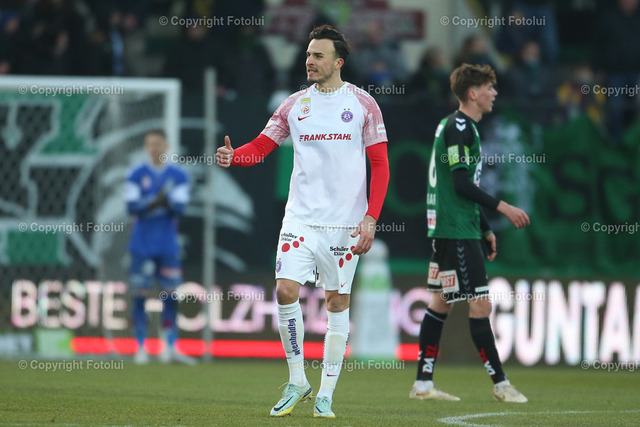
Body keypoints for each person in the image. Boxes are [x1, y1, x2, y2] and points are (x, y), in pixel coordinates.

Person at [216, 24, 390, 418]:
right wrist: (234, 156)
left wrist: (371, 218)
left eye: (318, 55)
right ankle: (297, 380)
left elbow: (380, 164)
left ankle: (326, 393)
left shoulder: (363, 104)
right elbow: (262, 147)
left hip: (345, 224)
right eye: (308, 54)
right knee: (284, 290)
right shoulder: (294, 105)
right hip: (301, 219)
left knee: (336, 302)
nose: (310, 61)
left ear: (338, 62)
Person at [410, 64, 530, 403]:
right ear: (473, 93)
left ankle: (423, 384)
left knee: (441, 301)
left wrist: (484, 227)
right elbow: (461, 183)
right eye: (489, 87)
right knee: (480, 304)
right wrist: (503, 207)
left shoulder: (453, 125)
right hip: (456, 230)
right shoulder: (460, 127)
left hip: (454, 227)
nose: (494, 93)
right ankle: (501, 385)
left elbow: (459, 186)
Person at [125, 129, 194, 365]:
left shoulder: (178, 175)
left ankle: (169, 346)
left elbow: (179, 209)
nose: (154, 148)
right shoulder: (136, 174)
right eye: (150, 144)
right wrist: (156, 202)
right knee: (140, 296)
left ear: (166, 145)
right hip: (142, 245)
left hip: (167, 245)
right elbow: (132, 207)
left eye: (158, 143)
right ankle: (140, 347)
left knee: (170, 295)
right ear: (146, 147)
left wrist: (161, 203)